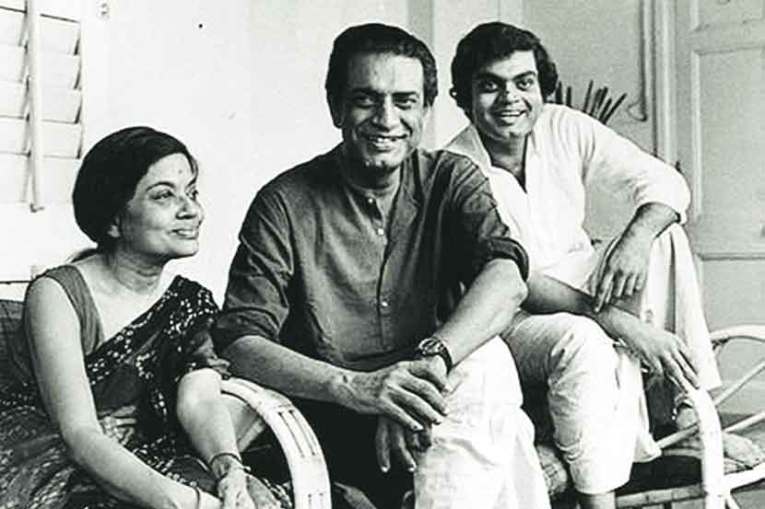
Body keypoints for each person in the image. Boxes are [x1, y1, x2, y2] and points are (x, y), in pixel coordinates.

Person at [213, 23, 550, 509]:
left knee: (488, 365)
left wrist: (428, 365)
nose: (386, 119)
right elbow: (241, 341)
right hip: (333, 422)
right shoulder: (284, 202)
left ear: (426, 110)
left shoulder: (451, 178)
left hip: (433, 411)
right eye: (366, 100)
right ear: (336, 107)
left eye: (405, 101)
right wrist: (357, 388)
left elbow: (506, 276)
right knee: (505, 426)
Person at [444, 22, 765, 509]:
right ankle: (620, 464)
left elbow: (665, 184)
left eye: (524, 82)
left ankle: (685, 411)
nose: (510, 98)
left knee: (664, 235)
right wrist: (623, 323)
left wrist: (636, 238)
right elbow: (514, 279)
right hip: (510, 316)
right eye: (490, 85)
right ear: (464, 97)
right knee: (585, 336)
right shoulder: (454, 166)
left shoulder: (563, 126)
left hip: (577, 281)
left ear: (542, 88)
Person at [0, 127, 288, 509]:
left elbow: (200, 400)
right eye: (164, 196)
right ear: (114, 219)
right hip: (57, 457)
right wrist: (186, 502)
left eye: (192, 192)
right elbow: (80, 433)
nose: (191, 210)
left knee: (255, 500)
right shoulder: (58, 293)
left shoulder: (189, 301)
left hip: (149, 453)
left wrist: (228, 467)